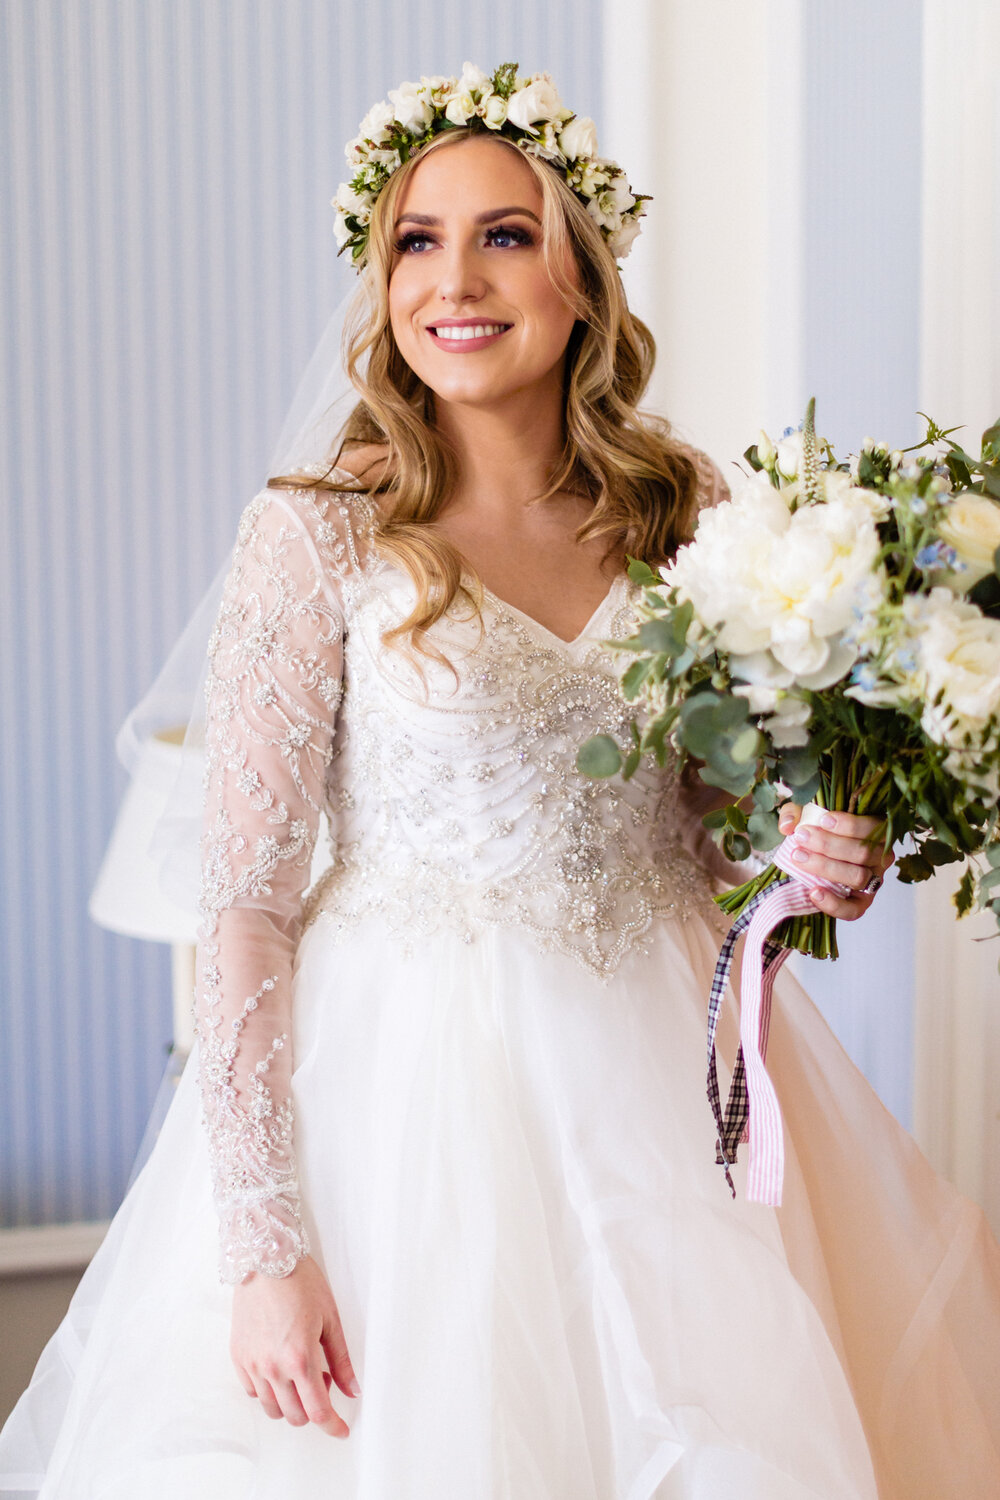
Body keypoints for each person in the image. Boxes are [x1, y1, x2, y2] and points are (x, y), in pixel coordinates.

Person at [2, 61, 999, 1500]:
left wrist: (811, 856)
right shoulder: (321, 531)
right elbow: (244, 905)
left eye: (505, 235)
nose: (453, 280)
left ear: (583, 278)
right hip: (398, 1120)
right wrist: (266, 1246)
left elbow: (713, 840)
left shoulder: (690, 513)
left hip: (668, 1097)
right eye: (418, 240)